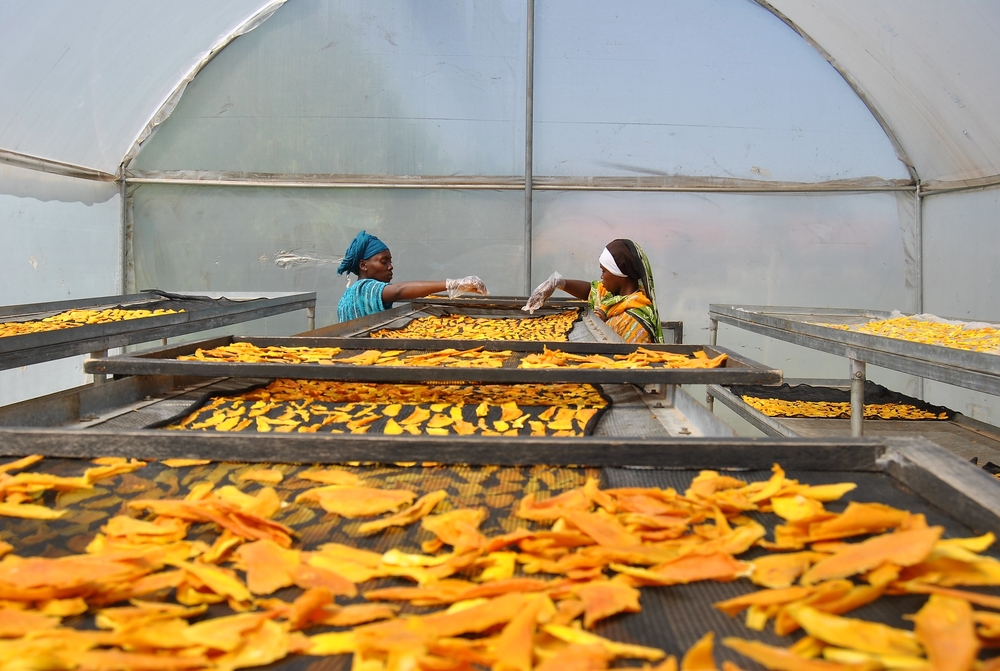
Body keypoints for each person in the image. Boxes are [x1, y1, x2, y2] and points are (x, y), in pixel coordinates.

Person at [522, 238, 664, 343]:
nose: (601, 277)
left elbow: (632, 362)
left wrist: (602, 325)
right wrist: (557, 283)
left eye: (604, 271)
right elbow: (591, 290)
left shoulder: (635, 319)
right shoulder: (613, 297)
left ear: (619, 274)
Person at [337, 230, 488, 322]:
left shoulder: (349, 294)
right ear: (363, 265)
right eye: (384, 261)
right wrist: (454, 284)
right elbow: (398, 291)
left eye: (390, 261)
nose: (390, 266)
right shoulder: (363, 289)